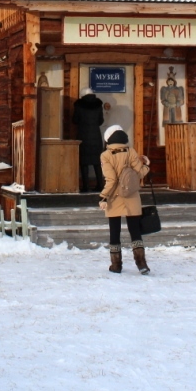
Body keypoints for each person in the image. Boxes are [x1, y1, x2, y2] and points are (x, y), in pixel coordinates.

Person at [98, 125, 151, 275]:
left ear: (108, 139)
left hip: (114, 197)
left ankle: (116, 265)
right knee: (135, 231)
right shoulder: (131, 151)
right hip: (131, 195)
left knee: (114, 231)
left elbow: (111, 179)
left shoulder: (106, 155)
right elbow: (139, 173)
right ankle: (141, 264)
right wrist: (147, 165)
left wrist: (103, 197)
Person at [71, 87, 104, 192]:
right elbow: (101, 121)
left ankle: (86, 186)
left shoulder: (79, 105)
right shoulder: (98, 105)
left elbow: (75, 120)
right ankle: (100, 185)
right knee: (97, 162)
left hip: (83, 136)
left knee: (84, 162)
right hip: (96, 137)